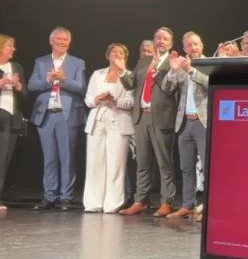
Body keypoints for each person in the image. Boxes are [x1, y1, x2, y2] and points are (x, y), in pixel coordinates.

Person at [119, 27, 180, 216]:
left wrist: (157, 70)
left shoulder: (173, 62)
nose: (160, 41)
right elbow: (131, 85)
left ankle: (166, 202)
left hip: (161, 117)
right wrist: (122, 70)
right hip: (141, 116)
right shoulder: (144, 61)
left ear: (170, 44)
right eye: (158, 38)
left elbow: (170, 89)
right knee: (143, 163)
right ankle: (141, 200)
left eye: (165, 39)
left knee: (164, 162)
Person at [28, 27, 87, 211]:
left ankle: (66, 197)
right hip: (46, 115)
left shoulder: (77, 62)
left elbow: (82, 87)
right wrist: (47, 80)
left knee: (67, 157)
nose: (62, 42)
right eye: (59, 39)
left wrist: (63, 79)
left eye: (65, 40)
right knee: (49, 158)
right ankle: (49, 196)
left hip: (67, 114)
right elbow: (31, 85)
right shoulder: (41, 61)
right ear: (51, 41)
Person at [162, 32, 209, 220]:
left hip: (202, 121)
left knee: (207, 167)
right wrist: (173, 71)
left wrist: (191, 70)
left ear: (202, 45)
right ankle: (188, 205)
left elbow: (210, 83)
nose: (193, 47)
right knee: (186, 167)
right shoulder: (179, 67)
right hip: (184, 122)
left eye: (196, 44)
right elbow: (166, 88)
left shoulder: (208, 64)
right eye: (189, 45)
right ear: (184, 48)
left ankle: (208, 207)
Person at [82, 43, 134, 213]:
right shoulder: (98, 74)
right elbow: (88, 99)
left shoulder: (130, 76)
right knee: (94, 163)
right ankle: (93, 203)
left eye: (120, 53)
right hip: (97, 120)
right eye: (113, 52)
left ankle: (112, 204)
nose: (116, 55)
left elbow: (132, 102)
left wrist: (115, 100)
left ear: (125, 57)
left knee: (116, 164)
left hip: (118, 121)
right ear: (108, 55)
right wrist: (97, 99)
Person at [0, 34, 27, 209]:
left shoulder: (16, 67)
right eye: (10, 45)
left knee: (4, 158)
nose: (13, 49)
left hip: (11, 117)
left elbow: (24, 94)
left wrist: (17, 85)